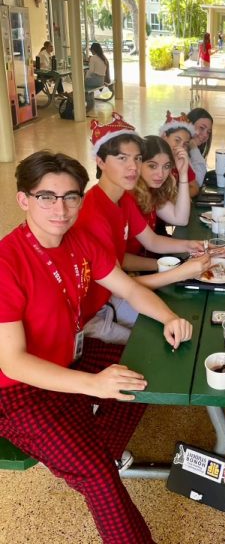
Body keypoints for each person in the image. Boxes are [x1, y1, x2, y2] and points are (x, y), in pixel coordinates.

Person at [0, 150, 193, 543]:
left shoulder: (80, 241)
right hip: (17, 392)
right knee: (98, 473)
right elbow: (13, 363)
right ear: (24, 200)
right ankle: (92, 462)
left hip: (73, 359)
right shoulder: (7, 261)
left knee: (144, 369)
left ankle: (88, 448)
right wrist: (94, 385)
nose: (61, 208)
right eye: (46, 197)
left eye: (71, 196)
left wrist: (169, 318)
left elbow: (129, 290)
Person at [75, 113, 209, 340]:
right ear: (100, 161)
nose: (133, 167)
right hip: (95, 311)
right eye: (122, 158)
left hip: (117, 293)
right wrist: (179, 272)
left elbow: (152, 240)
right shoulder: (93, 212)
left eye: (137, 159)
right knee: (160, 340)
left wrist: (189, 245)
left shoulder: (123, 197)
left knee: (183, 322)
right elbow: (123, 286)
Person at [127, 135, 191, 254]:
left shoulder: (151, 191)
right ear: (138, 164)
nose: (161, 174)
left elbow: (181, 219)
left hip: (143, 261)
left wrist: (183, 173)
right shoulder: (128, 195)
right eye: (152, 166)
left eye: (166, 166)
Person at [158, 111, 205, 191]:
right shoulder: (152, 157)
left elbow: (194, 187)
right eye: (177, 140)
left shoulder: (180, 161)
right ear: (164, 136)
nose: (181, 147)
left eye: (185, 144)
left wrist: (176, 198)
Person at [85, 42, 110, 111]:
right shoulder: (103, 57)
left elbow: (91, 71)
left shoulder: (93, 58)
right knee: (87, 82)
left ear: (93, 50)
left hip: (95, 81)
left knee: (82, 84)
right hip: (101, 81)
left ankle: (89, 102)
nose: (91, 51)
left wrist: (86, 77)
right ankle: (91, 100)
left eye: (91, 50)